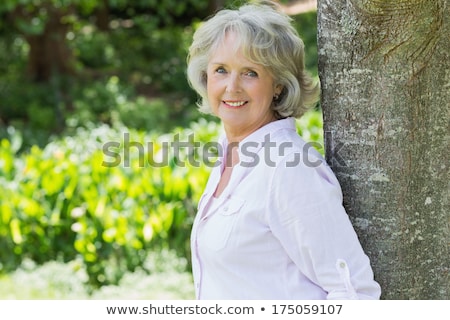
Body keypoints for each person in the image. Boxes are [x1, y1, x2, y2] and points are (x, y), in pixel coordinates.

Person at [186, 0, 381, 300]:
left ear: (278, 84)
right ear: (206, 76)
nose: (232, 87)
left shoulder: (289, 167)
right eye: (221, 70)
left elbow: (355, 293)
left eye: (250, 72)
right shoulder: (230, 154)